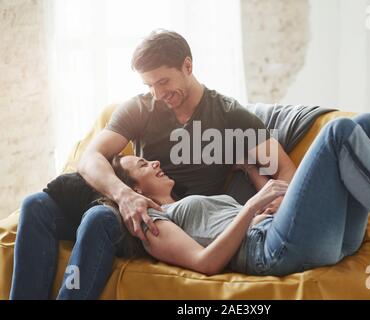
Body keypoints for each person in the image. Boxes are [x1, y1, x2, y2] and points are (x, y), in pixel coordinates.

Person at [10, 29, 296, 299]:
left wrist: (274, 212)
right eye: (149, 84)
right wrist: (125, 195)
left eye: (163, 82)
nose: (157, 94)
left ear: (187, 66)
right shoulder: (141, 108)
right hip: (126, 201)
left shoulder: (229, 116)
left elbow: (283, 169)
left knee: (99, 218)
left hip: (166, 221)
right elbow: (90, 157)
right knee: (35, 205)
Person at [109, 113, 370, 276]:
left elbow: (266, 209)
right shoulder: (151, 221)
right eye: (142, 164)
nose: (153, 162)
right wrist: (253, 206)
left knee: (369, 125)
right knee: (339, 132)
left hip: (309, 237)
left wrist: (252, 175)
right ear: (134, 188)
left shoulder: (191, 201)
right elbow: (205, 262)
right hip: (274, 251)